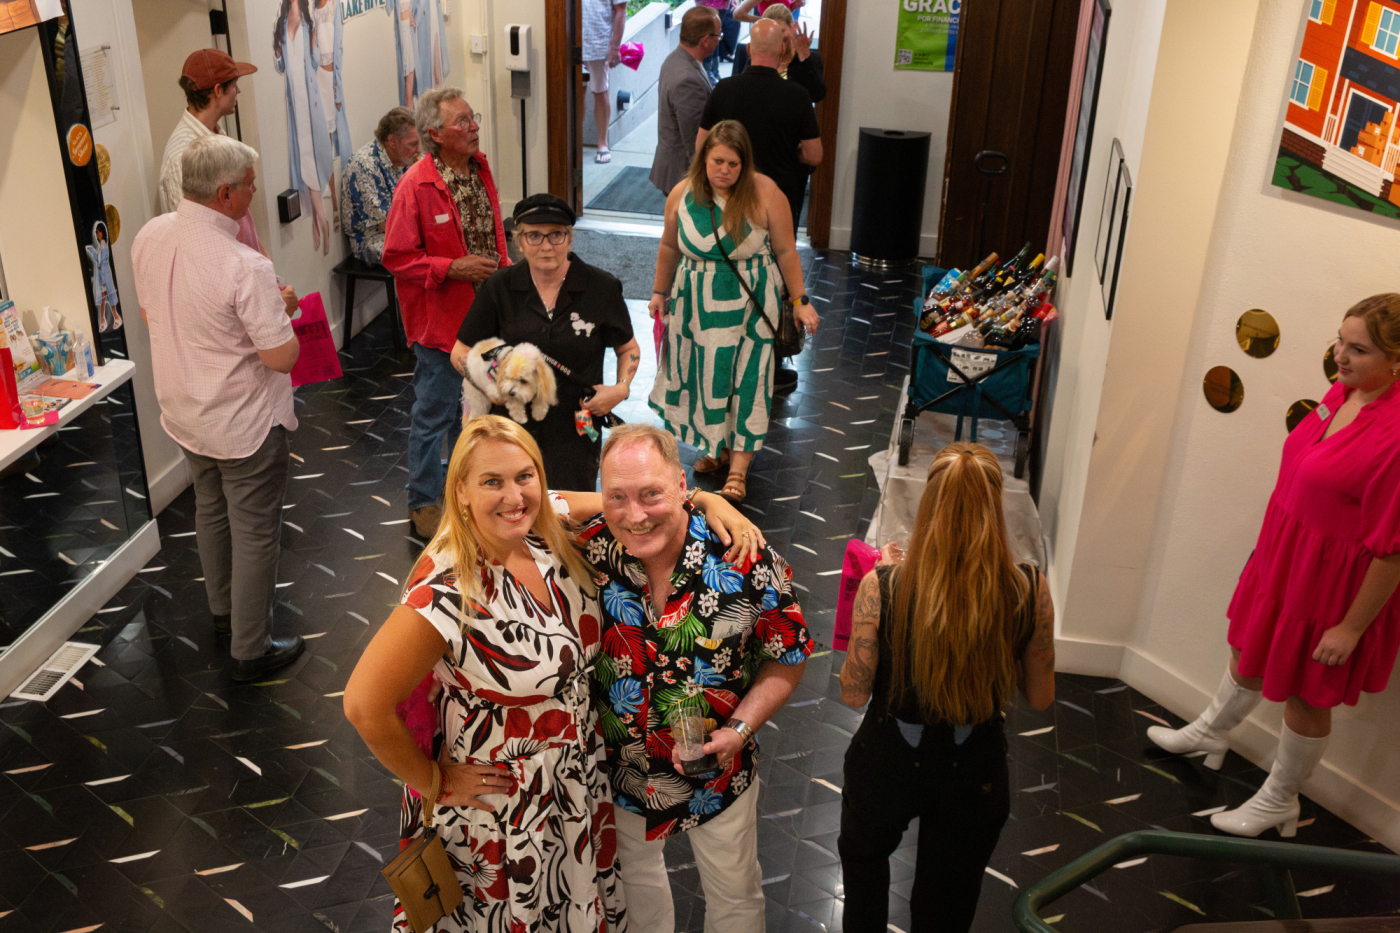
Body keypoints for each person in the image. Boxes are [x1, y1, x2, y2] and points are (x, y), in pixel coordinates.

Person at [343, 416, 762, 932]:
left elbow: (618, 500)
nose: (513, 496)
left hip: (575, 784)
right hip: (503, 807)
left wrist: (700, 498)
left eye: (525, 476)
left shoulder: (541, 531)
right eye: (491, 481)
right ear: (461, 491)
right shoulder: (448, 588)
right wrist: (433, 782)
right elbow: (363, 706)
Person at [1148, 295, 1400, 838]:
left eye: (1358, 349)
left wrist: (1351, 627)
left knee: (1307, 693)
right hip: (1287, 556)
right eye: (1340, 340)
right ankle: (1212, 731)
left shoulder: (1396, 433)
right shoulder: (1344, 391)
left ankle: (1280, 800)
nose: (1340, 356)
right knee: (1248, 646)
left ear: (1397, 360)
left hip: (1332, 585)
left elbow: (1393, 549)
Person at [574, 423, 814, 933]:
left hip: (718, 775)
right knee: (636, 891)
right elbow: (528, 499)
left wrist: (741, 730)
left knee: (735, 897)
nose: (635, 515)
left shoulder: (744, 559)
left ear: (683, 485)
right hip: (620, 771)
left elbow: (789, 655)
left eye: (651, 494)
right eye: (617, 497)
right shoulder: (588, 549)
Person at [837, 442, 1055, 933]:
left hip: (887, 762)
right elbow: (1040, 696)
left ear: (929, 503)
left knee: (864, 871)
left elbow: (853, 693)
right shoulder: (1029, 588)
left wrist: (877, 583)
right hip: (973, 770)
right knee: (947, 906)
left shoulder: (884, 587)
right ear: (996, 507)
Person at [131, 135, 305, 682]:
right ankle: (251, 649)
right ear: (225, 194)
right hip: (242, 420)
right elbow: (281, 357)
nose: (255, 192)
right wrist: (283, 310)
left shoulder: (149, 235)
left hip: (184, 409)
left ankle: (225, 613)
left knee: (209, 509)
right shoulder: (243, 264)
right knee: (255, 530)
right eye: (250, 184)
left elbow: (152, 314)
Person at [649, 120, 817, 503]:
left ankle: (738, 469)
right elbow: (669, 246)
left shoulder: (765, 192)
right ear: (704, 159)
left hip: (750, 305)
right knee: (706, 377)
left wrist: (800, 301)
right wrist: (659, 291)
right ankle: (715, 448)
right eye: (717, 161)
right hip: (695, 304)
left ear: (745, 164)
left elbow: (786, 251)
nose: (724, 170)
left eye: (733, 164)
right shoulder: (682, 193)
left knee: (748, 381)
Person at [384, 88, 508, 539]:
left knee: (477, 413)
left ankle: (465, 493)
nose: (474, 127)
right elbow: (397, 257)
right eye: (463, 122)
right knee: (434, 415)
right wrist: (452, 267)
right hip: (441, 326)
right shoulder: (415, 185)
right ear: (435, 134)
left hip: (487, 318)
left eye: (473, 118)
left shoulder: (481, 167)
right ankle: (422, 501)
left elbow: (494, 232)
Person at [450, 194, 639, 491]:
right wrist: (489, 388)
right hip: (510, 427)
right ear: (520, 241)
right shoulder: (498, 287)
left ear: (569, 238)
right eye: (534, 235)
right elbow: (460, 351)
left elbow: (627, 348)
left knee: (571, 506)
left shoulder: (601, 287)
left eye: (556, 235)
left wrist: (620, 389)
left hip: (576, 427)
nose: (546, 245)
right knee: (512, 502)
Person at [699, 18, 821, 394]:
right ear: (782, 50)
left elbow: (702, 146)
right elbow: (814, 155)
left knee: (730, 271)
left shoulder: (725, 89)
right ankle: (770, 361)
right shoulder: (797, 95)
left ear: (749, 50)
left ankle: (724, 354)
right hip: (779, 201)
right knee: (776, 277)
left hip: (729, 201)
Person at [159, 49, 264, 254]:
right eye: (234, 85)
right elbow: (194, 237)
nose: (238, 91)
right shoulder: (183, 155)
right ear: (218, 90)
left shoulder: (216, 135)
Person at [272, 0, 334, 255]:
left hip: (310, 102)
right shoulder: (280, 21)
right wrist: (278, 52)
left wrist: (313, 43)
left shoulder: (309, 20)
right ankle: (318, 220)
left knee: (312, 157)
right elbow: (280, 66)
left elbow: (315, 62)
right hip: (295, 103)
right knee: (304, 159)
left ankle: (321, 221)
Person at [650, 6, 718, 196]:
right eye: (718, 36)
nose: (719, 40)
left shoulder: (674, 59)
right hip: (683, 175)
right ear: (706, 40)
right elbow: (694, 140)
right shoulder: (688, 80)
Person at [341, 106, 420, 265]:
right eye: (412, 144)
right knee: (428, 253)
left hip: (400, 228)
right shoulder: (365, 165)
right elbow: (387, 224)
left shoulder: (402, 157)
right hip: (372, 239)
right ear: (392, 141)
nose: (418, 150)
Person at [312, 0, 353, 231]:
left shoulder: (335, 7)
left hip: (330, 81)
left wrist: (337, 87)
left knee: (339, 143)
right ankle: (334, 204)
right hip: (317, 80)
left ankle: (341, 203)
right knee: (324, 143)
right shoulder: (310, 11)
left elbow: (338, 49)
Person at [734, 4, 826, 105]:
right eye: (772, 33)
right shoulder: (757, 61)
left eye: (781, 31)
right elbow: (744, 94)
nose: (777, 37)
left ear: (793, 28)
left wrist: (805, 59)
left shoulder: (810, 60)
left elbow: (817, 94)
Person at [582, 0, 627, 164]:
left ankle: (602, 142)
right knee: (575, 93)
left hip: (598, 44)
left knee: (600, 92)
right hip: (572, 42)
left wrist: (615, 47)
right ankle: (575, 141)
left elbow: (621, 11)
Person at [85, 222, 121, 333]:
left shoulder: (104, 245)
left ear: (103, 232)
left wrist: (92, 251)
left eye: (99, 232)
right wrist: (92, 250)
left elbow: (101, 262)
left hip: (105, 275)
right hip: (103, 275)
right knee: (104, 296)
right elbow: (99, 261)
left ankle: (110, 318)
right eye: (97, 233)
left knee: (107, 296)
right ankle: (106, 319)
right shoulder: (101, 245)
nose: (98, 234)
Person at [698, 0, 740, 84]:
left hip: (722, 3)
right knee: (711, 33)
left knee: (715, 32)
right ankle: (708, 71)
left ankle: (713, 71)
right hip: (707, 3)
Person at [389, 0, 416, 104]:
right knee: (406, 94)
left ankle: (411, 111)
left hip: (409, 32)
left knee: (409, 93)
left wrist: (413, 14)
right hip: (402, 33)